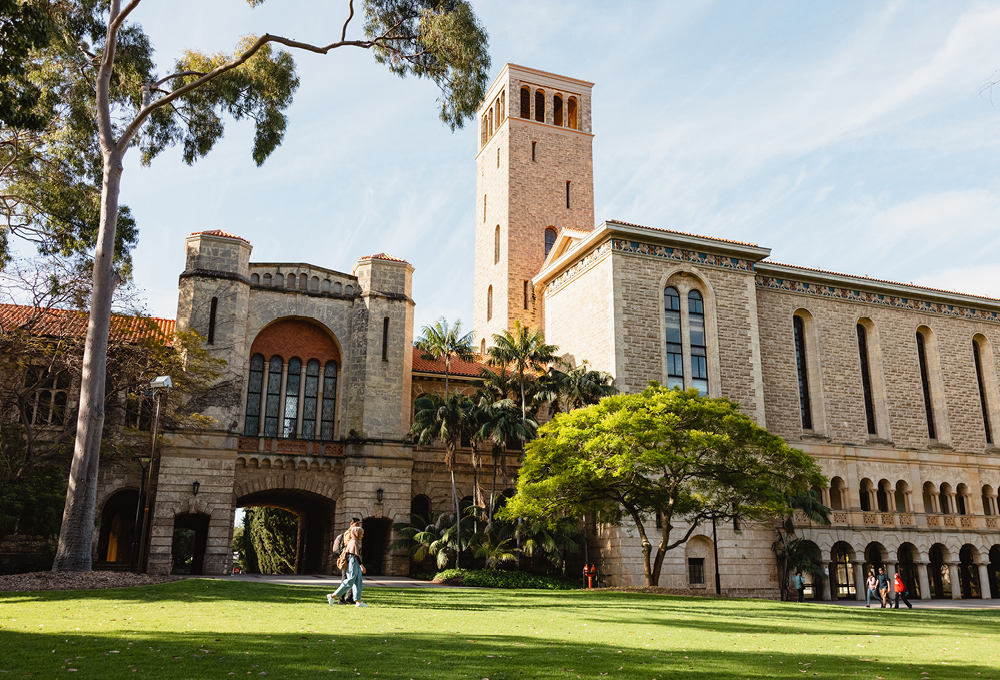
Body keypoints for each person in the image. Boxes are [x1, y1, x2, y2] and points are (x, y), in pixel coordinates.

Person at [327, 518, 369, 608]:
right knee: (349, 581)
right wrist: (361, 566)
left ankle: (358, 601)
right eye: (361, 534)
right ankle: (332, 596)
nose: (362, 536)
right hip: (353, 562)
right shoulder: (353, 541)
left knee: (358, 581)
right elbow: (355, 555)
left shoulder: (356, 541)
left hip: (355, 561)